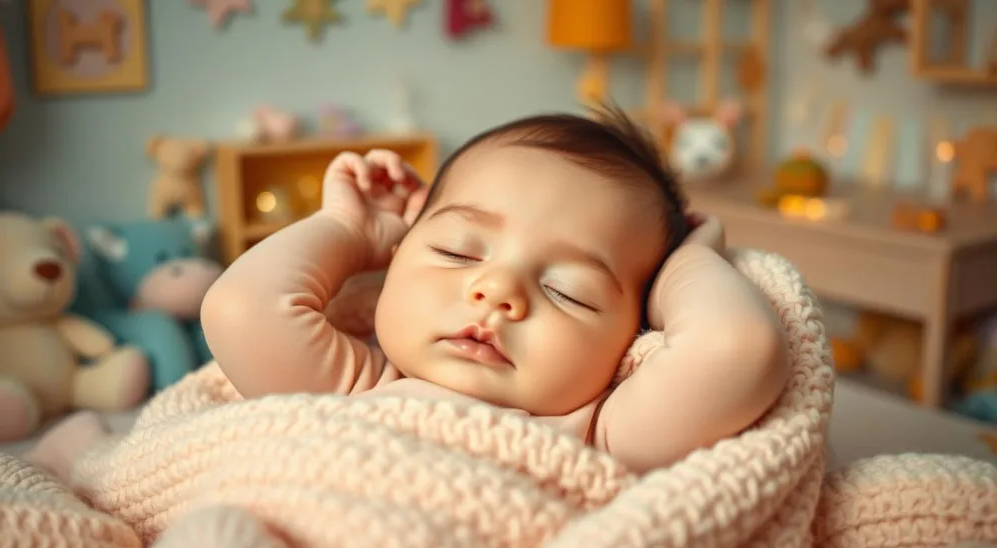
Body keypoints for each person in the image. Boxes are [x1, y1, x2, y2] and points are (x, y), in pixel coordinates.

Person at [201, 106, 789, 473]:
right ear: (397, 254)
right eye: (456, 251)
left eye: (569, 291)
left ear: (637, 329)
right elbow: (239, 307)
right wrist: (349, 230)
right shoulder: (352, 388)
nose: (497, 290)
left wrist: (687, 262)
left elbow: (738, 348)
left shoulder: (601, 437)